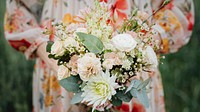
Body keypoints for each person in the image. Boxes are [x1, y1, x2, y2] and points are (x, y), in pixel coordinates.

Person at [4, 0, 194, 112]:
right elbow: (20, 10)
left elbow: (177, 9)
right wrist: (57, 59)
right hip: (59, 72)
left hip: (134, 74)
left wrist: (136, 53)